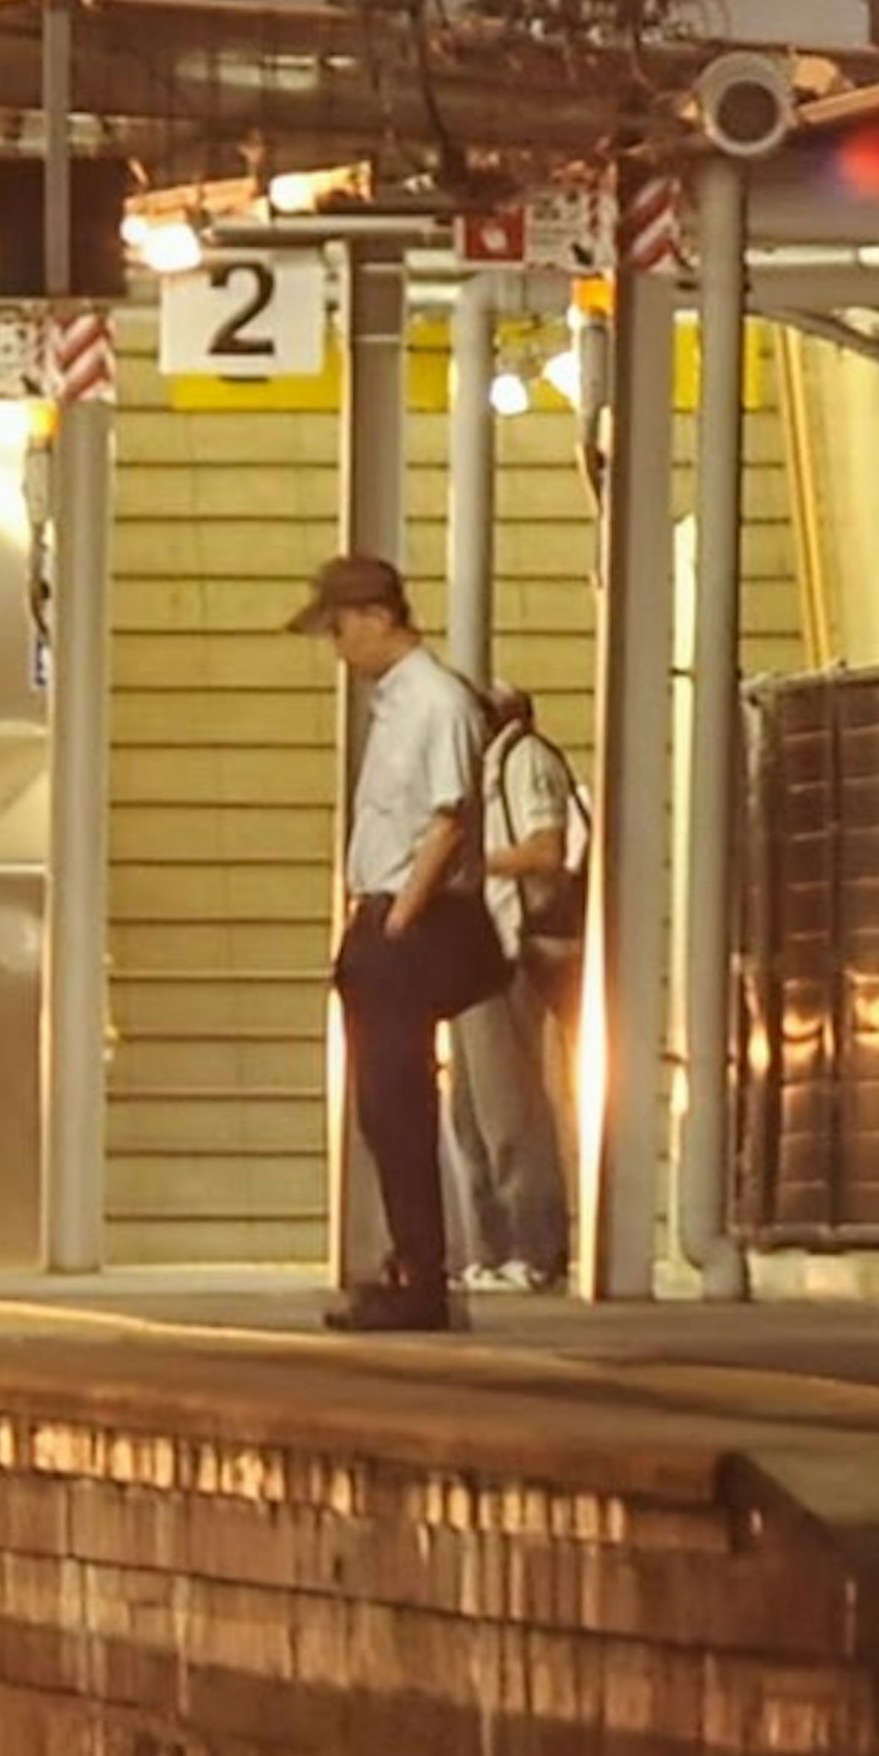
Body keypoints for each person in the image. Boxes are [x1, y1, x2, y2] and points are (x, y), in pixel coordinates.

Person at [287, 556, 502, 1333]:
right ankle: (410, 1265)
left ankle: (423, 1278)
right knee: (384, 1106)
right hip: (384, 913)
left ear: (379, 616)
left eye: (340, 628)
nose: (338, 647)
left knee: (400, 1101)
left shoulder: (436, 702)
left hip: (412, 917)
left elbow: (451, 816)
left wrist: (401, 914)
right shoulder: (396, 703)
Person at [447, 681, 585, 1291]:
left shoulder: (524, 760)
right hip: (478, 945)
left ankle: (534, 1247)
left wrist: (471, 862)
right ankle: (495, 1247)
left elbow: (546, 849)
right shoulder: (487, 769)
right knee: (471, 1110)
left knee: (510, 1108)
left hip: (513, 945)